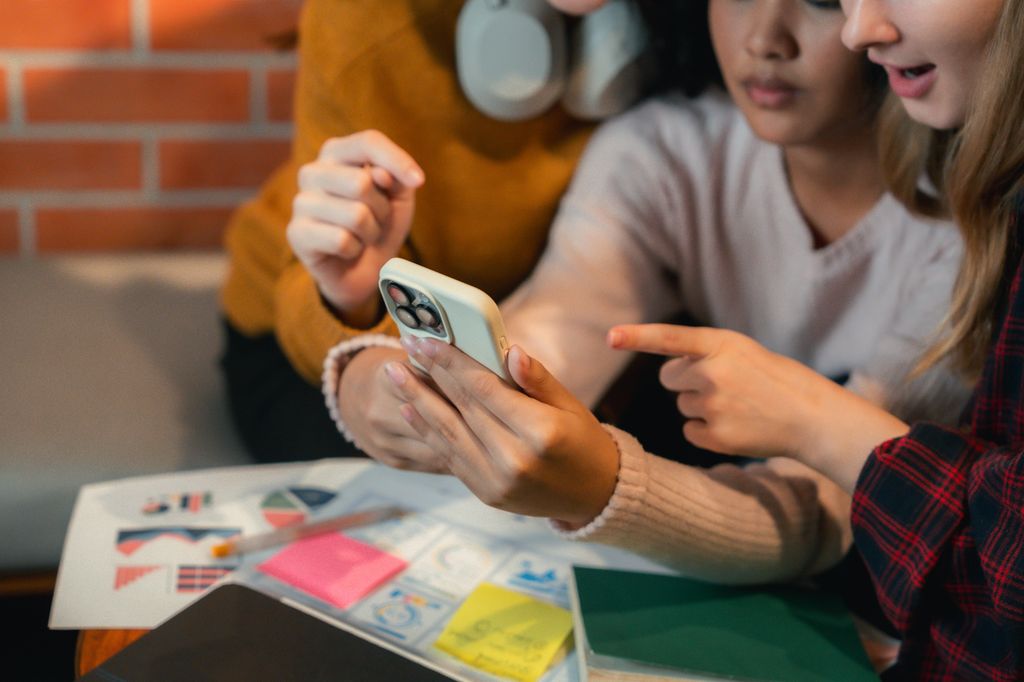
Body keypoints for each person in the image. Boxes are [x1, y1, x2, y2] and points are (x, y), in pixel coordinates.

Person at [329, 0, 971, 597]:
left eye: (821, 0)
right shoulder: (666, 150)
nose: (765, 40)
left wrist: (603, 487)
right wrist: (370, 378)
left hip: (893, 575)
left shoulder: (969, 228)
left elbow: (830, 509)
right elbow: (550, 336)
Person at [600, 0, 1024, 677]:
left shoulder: (963, 221)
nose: (863, 29)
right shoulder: (664, 145)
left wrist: (811, 421)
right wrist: (373, 348)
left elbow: (994, 557)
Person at [217, 0, 599, 461]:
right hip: (329, 325)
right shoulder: (364, 18)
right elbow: (332, 273)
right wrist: (355, 353)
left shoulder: (698, 22)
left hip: (558, 342)